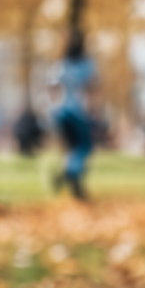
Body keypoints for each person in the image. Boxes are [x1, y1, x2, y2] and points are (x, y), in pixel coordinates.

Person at [51, 30, 98, 199]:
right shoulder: (86, 65)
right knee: (84, 146)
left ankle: (73, 181)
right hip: (79, 111)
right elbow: (92, 88)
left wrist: (53, 105)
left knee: (71, 148)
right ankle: (70, 172)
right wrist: (93, 110)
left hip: (61, 111)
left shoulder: (62, 65)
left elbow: (53, 86)